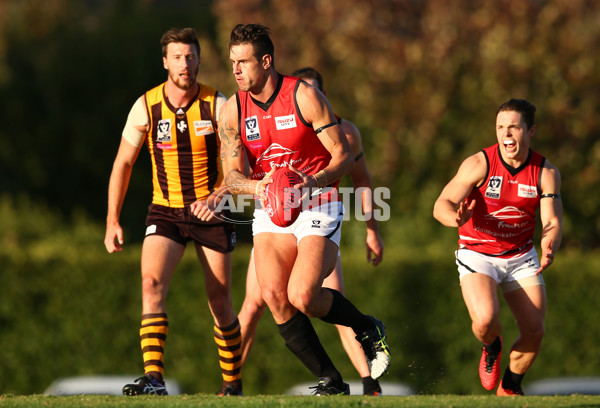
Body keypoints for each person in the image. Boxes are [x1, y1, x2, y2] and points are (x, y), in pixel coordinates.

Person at [218, 23, 390, 396]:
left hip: (317, 200)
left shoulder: (304, 96)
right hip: (271, 205)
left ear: (266, 61)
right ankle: (330, 380)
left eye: (243, 62)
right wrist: (256, 186)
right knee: (273, 296)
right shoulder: (232, 110)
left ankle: (366, 326)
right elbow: (231, 177)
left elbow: (343, 155)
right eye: (232, 62)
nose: (236, 70)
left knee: (304, 296)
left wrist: (313, 181)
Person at [104, 27, 243, 396]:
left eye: (191, 55)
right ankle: (154, 380)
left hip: (211, 210)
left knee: (220, 300)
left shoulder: (219, 104)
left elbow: (237, 164)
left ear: (199, 59)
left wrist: (217, 199)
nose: (185, 63)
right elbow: (123, 164)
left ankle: (232, 384)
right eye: (178, 57)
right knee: (150, 285)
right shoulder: (146, 106)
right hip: (164, 211)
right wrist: (112, 220)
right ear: (165, 62)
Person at [433, 98, 562, 396]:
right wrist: (454, 217)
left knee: (534, 332)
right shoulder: (479, 163)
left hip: (520, 256)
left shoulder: (546, 172)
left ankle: (510, 386)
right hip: (477, 254)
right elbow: (441, 203)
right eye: (500, 127)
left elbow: (552, 220)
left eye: (514, 127)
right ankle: (491, 347)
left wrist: (549, 243)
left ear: (530, 131)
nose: (506, 135)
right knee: (485, 321)